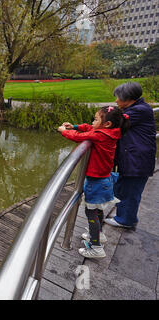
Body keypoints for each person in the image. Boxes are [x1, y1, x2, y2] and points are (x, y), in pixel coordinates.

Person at [58, 106, 130, 258]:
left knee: (91, 213)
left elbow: (78, 137)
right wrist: (75, 126)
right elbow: (89, 128)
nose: (92, 121)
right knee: (97, 210)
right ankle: (99, 234)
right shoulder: (109, 132)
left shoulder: (101, 135)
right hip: (104, 180)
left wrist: (64, 131)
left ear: (107, 124)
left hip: (96, 183)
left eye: (96, 119)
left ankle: (96, 246)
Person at [104, 82, 157, 228]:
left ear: (128, 98)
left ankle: (125, 220)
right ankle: (126, 217)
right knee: (124, 188)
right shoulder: (138, 108)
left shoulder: (137, 111)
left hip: (137, 160)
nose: (116, 101)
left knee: (130, 190)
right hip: (133, 158)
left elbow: (110, 124)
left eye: (118, 97)